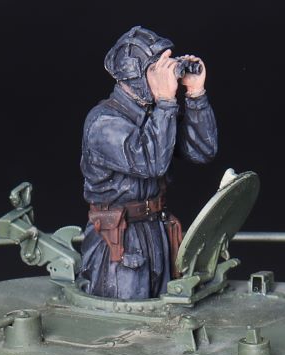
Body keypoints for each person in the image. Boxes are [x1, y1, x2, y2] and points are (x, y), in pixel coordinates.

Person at [78, 26, 218, 300]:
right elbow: (151, 163)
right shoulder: (103, 123)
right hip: (119, 242)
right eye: (157, 69)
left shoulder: (155, 115)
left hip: (156, 232)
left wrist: (195, 94)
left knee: (163, 316)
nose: (168, 74)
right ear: (136, 77)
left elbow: (203, 150)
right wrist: (166, 102)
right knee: (127, 320)